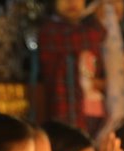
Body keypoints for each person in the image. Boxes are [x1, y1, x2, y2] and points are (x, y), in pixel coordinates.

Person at [38, 0, 106, 132]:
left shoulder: (88, 30)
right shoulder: (50, 31)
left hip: (90, 112)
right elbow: (90, 37)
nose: (71, 2)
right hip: (66, 114)